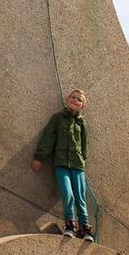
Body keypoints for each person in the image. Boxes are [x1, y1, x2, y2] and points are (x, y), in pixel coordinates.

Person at [31, 90, 94, 241]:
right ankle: (70, 225)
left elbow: (84, 146)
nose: (75, 100)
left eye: (79, 99)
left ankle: (85, 229)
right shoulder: (57, 118)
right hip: (61, 163)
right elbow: (48, 138)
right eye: (73, 97)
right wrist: (39, 157)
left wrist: (82, 160)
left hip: (78, 166)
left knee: (80, 197)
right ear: (67, 99)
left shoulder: (82, 123)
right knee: (68, 194)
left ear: (83, 105)